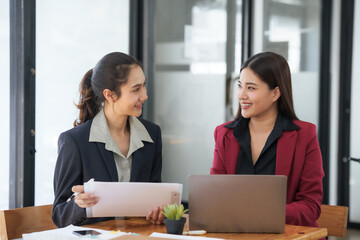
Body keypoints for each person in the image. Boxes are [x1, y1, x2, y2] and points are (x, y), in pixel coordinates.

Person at [211, 52, 324, 227]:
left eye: (251, 88)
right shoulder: (224, 134)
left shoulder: (305, 135)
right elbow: (215, 195)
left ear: (275, 93)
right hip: (237, 233)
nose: (241, 95)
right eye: (240, 86)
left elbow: (311, 206)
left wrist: (260, 213)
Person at [52, 52, 164, 227]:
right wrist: (80, 205)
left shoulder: (152, 134)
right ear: (110, 95)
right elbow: (59, 215)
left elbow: (156, 196)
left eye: (144, 86)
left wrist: (158, 212)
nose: (145, 95)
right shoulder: (74, 141)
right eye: (136, 89)